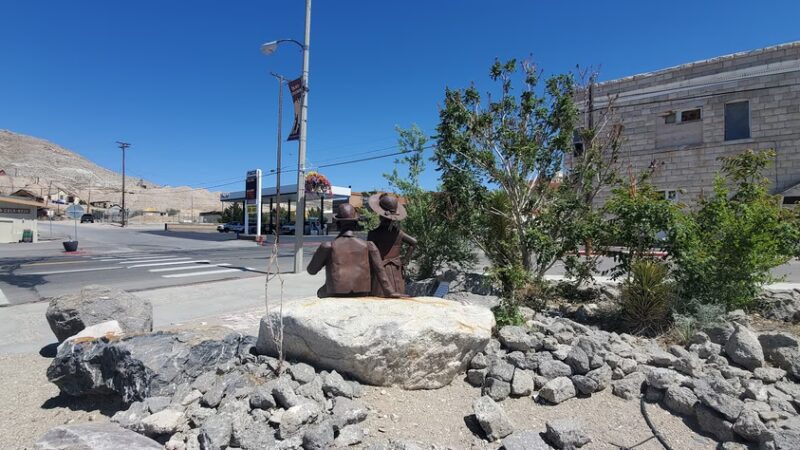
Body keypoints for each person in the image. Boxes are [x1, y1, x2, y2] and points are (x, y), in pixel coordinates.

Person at [307, 203, 403, 298]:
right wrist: (390, 292)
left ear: (338, 224)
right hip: (362, 292)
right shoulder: (369, 246)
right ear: (356, 223)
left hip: (336, 291)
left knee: (321, 292)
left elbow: (311, 270)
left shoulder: (328, 247)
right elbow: (381, 272)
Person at [367, 193, 418, 297]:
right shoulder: (399, 233)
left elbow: (369, 254)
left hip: (380, 270)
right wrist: (405, 260)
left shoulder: (373, 234)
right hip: (396, 269)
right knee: (398, 294)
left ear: (380, 215)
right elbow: (414, 242)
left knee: (378, 296)